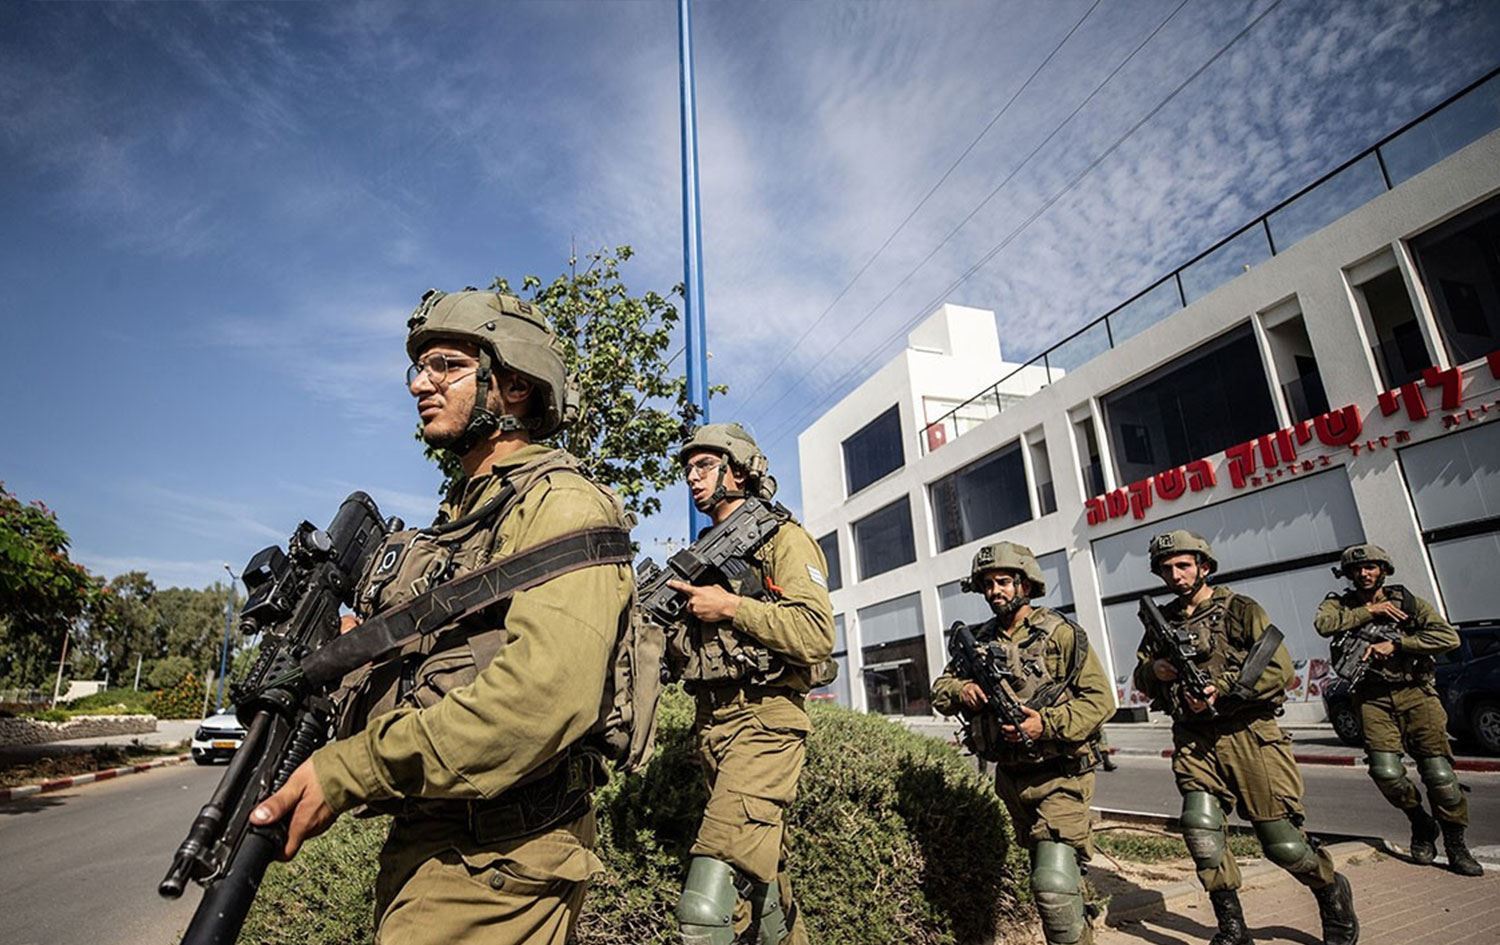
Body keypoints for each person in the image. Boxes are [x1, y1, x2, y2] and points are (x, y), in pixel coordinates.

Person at [249, 289, 635, 945]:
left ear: (514, 384)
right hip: (442, 841)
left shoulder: (563, 504)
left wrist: (349, 771)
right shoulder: (468, 514)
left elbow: (541, 698)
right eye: (419, 367)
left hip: (500, 858)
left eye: (447, 366)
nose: (420, 384)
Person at [1133, 530, 1358, 945]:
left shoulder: (1241, 610)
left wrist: (1222, 688)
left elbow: (1279, 669)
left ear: (1204, 566)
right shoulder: (1161, 622)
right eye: (1166, 569)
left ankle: (1331, 888)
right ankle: (1232, 929)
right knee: (1201, 830)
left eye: (1183, 565)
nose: (1175, 575)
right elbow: (1141, 675)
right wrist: (1155, 671)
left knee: (1283, 845)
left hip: (1249, 734)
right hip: (1195, 739)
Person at [665, 422, 836, 945]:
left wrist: (731, 607)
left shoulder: (783, 538)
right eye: (687, 468)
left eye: (704, 465)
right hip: (713, 727)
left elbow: (816, 634)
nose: (692, 477)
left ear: (739, 471)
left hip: (765, 723)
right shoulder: (698, 556)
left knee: (705, 906)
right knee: (764, 888)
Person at [932, 541, 1113, 945]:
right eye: (987, 584)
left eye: (1003, 582)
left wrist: (1044, 724)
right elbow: (940, 690)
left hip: (1061, 775)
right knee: (1052, 878)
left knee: (1051, 884)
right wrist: (963, 691)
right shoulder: (979, 641)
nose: (994, 591)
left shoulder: (1061, 634)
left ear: (1025, 585)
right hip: (1012, 780)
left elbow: (1101, 701)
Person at [1314, 543, 1480, 876]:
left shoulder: (1407, 603)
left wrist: (1399, 643)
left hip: (1415, 693)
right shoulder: (1339, 605)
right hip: (1372, 698)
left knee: (1439, 775)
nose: (1364, 573)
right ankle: (1420, 822)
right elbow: (1324, 624)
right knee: (1386, 772)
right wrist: (1370, 612)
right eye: (1357, 569)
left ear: (1383, 570)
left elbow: (1448, 638)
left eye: (1371, 567)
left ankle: (1455, 843)